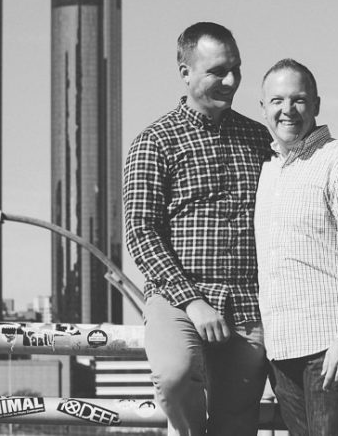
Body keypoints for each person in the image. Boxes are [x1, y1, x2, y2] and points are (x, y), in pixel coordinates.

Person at [123, 22, 272, 436]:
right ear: (185, 73)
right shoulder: (154, 141)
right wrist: (193, 301)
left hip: (246, 301)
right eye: (217, 71)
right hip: (177, 297)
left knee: (238, 419)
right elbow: (141, 231)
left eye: (236, 69)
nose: (231, 80)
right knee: (173, 376)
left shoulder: (260, 140)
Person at [254, 59, 338, 436]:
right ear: (263, 108)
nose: (287, 109)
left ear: (316, 105)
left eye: (299, 99)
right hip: (281, 347)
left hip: (332, 342)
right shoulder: (267, 169)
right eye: (276, 100)